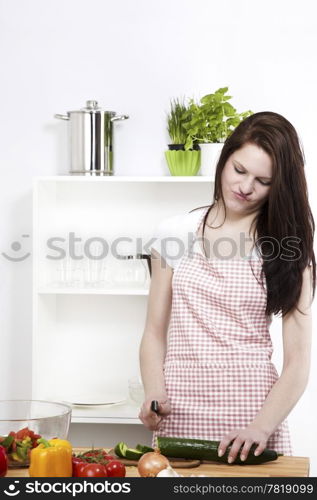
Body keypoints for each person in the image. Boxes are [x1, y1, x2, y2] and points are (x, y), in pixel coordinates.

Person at [138, 111, 315, 463]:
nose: (246, 187)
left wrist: (261, 428)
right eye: (239, 170)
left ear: (278, 186)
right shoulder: (176, 232)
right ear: (224, 160)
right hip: (181, 407)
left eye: (263, 180)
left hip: (253, 412)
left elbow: (298, 362)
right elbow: (154, 333)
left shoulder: (288, 247)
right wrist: (154, 394)